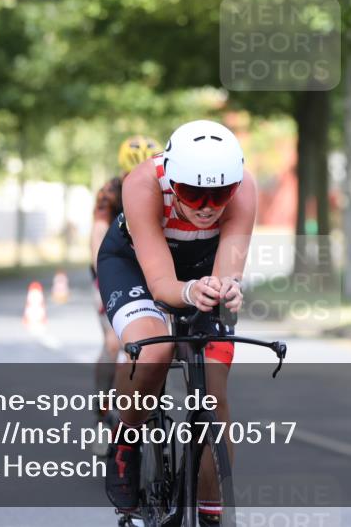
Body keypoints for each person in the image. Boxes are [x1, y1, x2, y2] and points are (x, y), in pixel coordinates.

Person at [98, 120, 255, 522]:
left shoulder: (245, 189)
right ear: (170, 177)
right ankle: (126, 439)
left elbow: (228, 272)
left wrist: (228, 290)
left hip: (201, 265)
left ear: (235, 183)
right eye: (192, 191)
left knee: (214, 393)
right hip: (136, 266)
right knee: (155, 351)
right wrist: (188, 293)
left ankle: (210, 511)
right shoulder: (142, 184)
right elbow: (162, 284)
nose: (206, 206)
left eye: (219, 194)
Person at [89, 135, 160, 453]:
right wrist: (102, 279)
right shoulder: (110, 192)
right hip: (114, 268)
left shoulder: (163, 188)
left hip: (151, 270)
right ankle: (102, 414)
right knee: (113, 342)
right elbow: (97, 236)